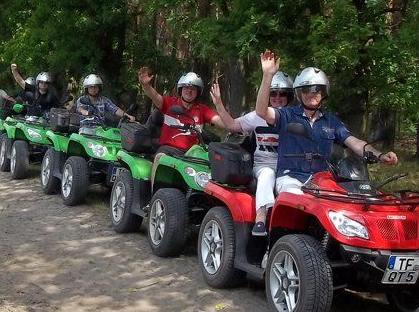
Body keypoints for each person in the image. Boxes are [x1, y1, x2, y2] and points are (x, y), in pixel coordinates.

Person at [254, 50, 397, 195]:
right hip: (291, 177)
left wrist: (380, 155)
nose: (311, 93)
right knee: (296, 198)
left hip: (322, 179)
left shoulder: (331, 121)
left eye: (317, 89)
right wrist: (268, 75)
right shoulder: (286, 114)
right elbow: (261, 111)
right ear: (299, 93)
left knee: (342, 202)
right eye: (306, 89)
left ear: (323, 93)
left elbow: (355, 142)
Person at [211, 72, 294, 236]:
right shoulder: (257, 116)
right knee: (267, 175)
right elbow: (232, 126)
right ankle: (261, 218)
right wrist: (219, 103)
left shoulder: (296, 117)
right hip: (263, 166)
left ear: (289, 96)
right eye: (273, 93)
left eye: (282, 93)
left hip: (290, 169)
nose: (277, 97)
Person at [137, 67, 225, 156]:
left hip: (191, 153)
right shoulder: (170, 103)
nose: (189, 91)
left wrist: (236, 127)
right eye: (186, 87)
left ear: (198, 92)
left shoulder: (202, 109)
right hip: (169, 149)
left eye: (193, 89)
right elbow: (155, 96)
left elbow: (220, 121)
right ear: (181, 89)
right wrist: (146, 85)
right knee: (160, 157)